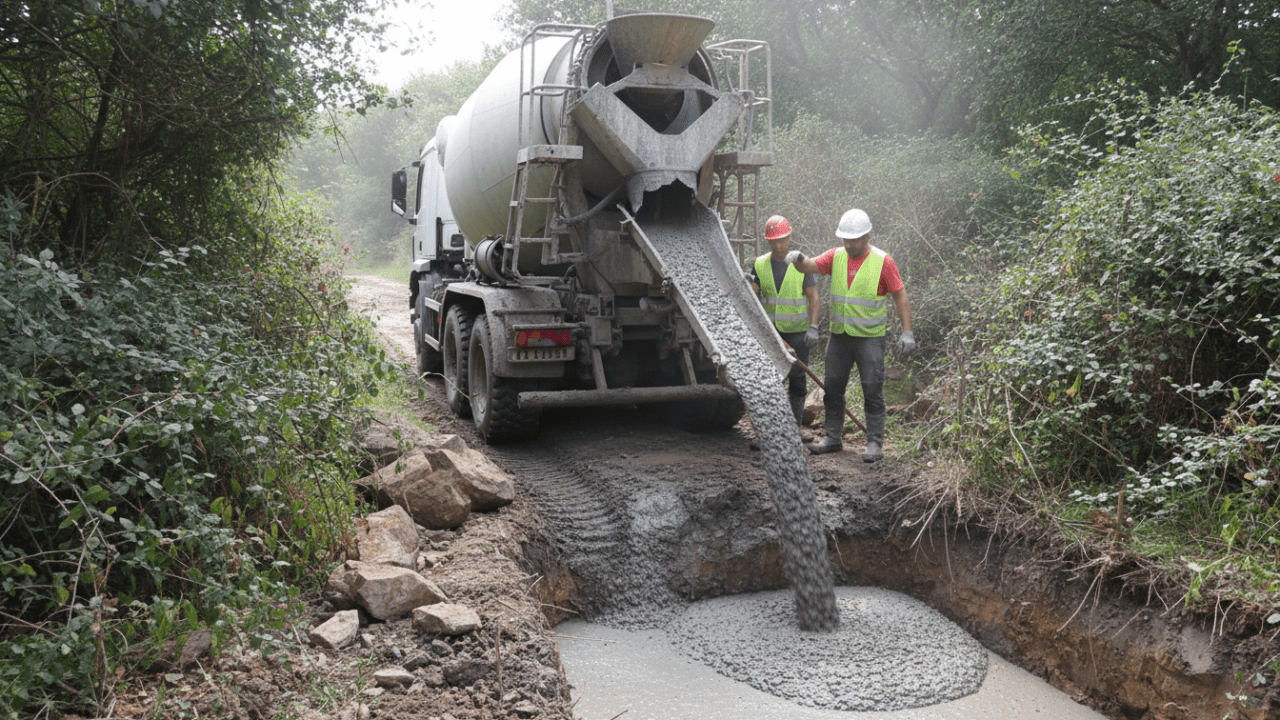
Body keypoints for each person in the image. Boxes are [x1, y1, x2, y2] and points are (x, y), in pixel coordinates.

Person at [784, 208, 914, 462]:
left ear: (867, 237)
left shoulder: (883, 261)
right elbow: (810, 266)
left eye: (854, 240)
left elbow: (900, 295)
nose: (849, 244)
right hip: (840, 337)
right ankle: (833, 438)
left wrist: (907, 332)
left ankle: (875, 443)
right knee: (833, 388)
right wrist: (799, 259)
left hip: (870, 338)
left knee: (871, 389)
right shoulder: (837, 256)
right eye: (845, 239)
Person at [749, 215, 821, 433]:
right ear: (767, 242)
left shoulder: (800, 262)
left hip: (798, 334)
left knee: (798, 381)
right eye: (773, 241)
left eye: (782, 240)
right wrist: (748, 285)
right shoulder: (760, 265)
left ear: (789, 237)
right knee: (768, 383)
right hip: (771, 334)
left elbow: (814, 298)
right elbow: (752, 298)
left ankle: (794, 429)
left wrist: (813, 327)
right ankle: (769, 433)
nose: (778, 245)